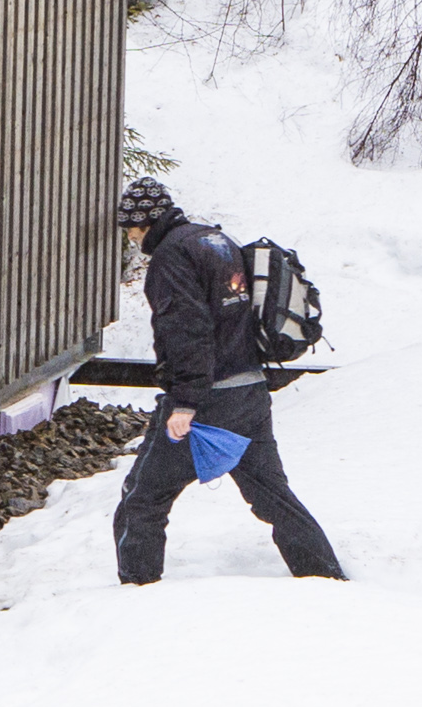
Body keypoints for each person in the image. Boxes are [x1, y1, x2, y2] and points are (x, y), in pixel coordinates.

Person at [109, 177, 344, 585]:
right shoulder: (215, 241)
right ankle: (326, 580)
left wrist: (185, 402)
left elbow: (188, 330)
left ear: (146, 221)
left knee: (142, 501)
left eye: (130, 227)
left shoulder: (170, 258)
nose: (130, 237)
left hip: (207, 401)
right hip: (250, 393)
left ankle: (136, 594)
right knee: (273, 497)